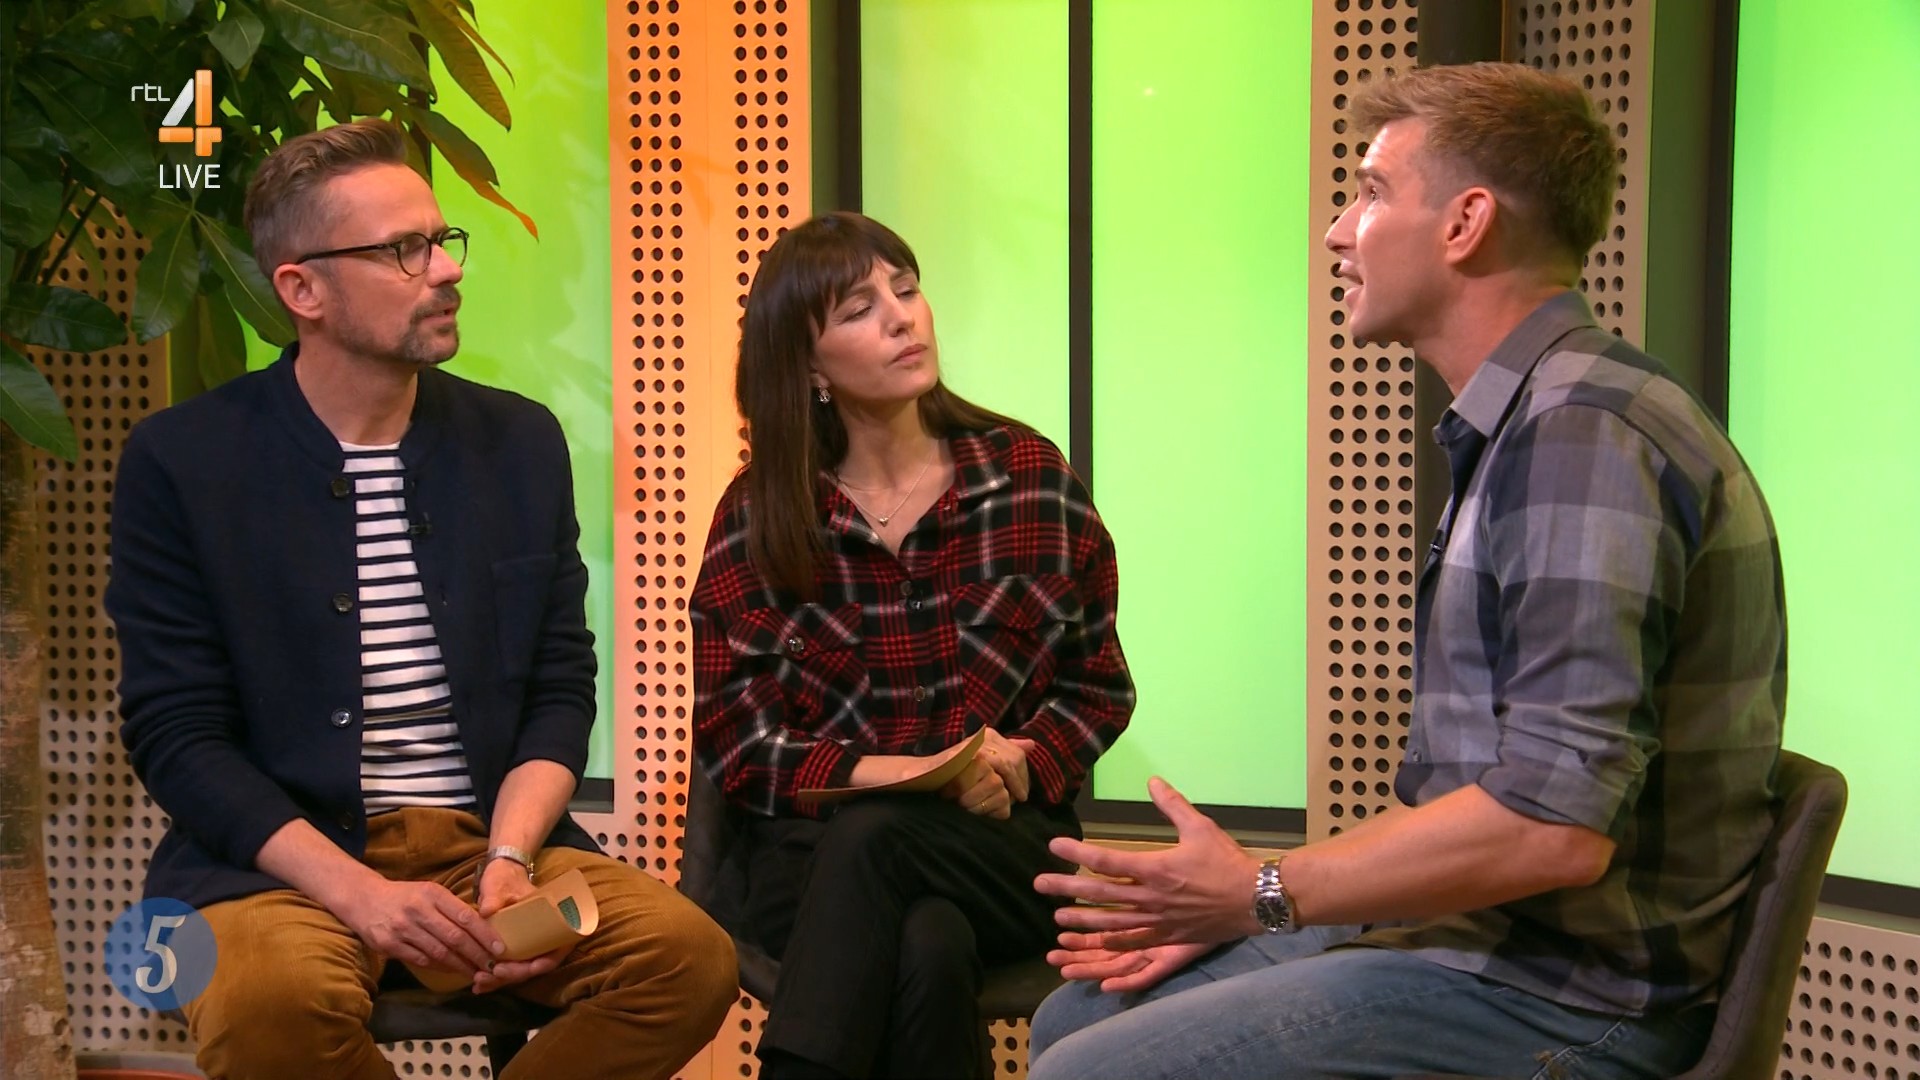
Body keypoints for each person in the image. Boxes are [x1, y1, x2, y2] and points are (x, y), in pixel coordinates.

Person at [1025, 63, 1786, 1080]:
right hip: (1480, 945)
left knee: (1086, 1073)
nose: (1338, 232)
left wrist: (1259, 892)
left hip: (1570, 997)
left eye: (1373, 193)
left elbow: (1555, 830)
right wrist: (1255, 902)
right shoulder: (1532, 418)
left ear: (1466, 224)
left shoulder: (1581, 434)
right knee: (1076, 1017)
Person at [105, 118, 736, 1080]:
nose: (446, 270)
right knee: (271, 1006)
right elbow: (178, 737)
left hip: (488, 847)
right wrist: (360, 894)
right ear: (302, 291)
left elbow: (560, 688)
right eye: (405, 249)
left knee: (686, 960)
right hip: (282, 866)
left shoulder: (518, 442)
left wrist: (510, 859)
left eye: (443, 241)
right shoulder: (183, 461)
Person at [690, 211, 1136, 1079]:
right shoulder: (759, 515)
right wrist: (899, 774)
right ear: (809, 366)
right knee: (926, 937)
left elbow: (1097, 689)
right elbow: (740, 743)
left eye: (906, 289)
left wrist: (1023, 761)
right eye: (860, 308)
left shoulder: (1027, 477)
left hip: (999, 850)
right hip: (810, 860)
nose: (902, 317)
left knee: (884, 847)